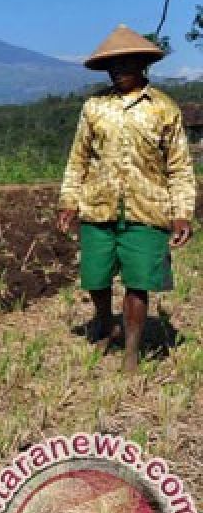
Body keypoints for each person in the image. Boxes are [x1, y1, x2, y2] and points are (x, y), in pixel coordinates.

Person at [57, 24, 196, 373]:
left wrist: (182, 215)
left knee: (139, 282)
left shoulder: (164, 109)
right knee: (95, 277)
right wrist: (69, 201)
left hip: (147, 209)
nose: (119, 70)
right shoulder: (94, 107)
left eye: (126, 63)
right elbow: (79, 157)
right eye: (113, 65)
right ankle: (105, 322)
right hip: (98, 206)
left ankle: (132, 351)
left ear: (142, 63)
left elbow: (179, 167)